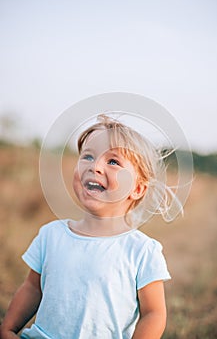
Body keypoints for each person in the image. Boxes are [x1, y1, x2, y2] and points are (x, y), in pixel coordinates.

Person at [0, 114, 174, 339]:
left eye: (113, 161)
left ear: (137, 189)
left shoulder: (141, 250)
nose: (95, 167)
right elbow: (33, 288)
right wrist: (8, 328)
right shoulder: (51, 235)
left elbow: (153, 313)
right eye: (88, 156)